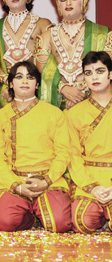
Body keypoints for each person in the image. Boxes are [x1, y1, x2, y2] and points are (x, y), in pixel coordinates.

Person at [0, 61, 72, 232]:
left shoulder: (54, 113)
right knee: (2, 222)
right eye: (19, 77)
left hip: (48, 179)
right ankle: (30, 214)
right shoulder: (0, 117)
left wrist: (47, 180)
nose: (25, 81)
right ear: (11, 83)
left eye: (30, 77)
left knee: (59, 223)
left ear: (37, 84)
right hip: (15, 179)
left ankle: (39, 208)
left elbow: (63, 153)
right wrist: (16, 185)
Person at [36, 0, 110, 110]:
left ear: (85, 0)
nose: (68, 2)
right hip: (57, 103)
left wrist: (80, 94)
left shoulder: (104, 34)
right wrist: (64, 89)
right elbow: (43, 71)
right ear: (58, 3)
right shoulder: (46, 37)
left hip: (93, 103)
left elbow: (107, 69)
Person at [68, 51, 112, 233]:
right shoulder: (74, 113)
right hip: (89, 176)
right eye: (88, 73)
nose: (94, 77)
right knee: (83, 222)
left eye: (100, 71)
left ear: (110, 74)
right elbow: (73, 156)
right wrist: (92, 188)